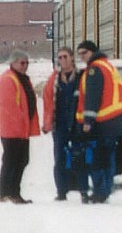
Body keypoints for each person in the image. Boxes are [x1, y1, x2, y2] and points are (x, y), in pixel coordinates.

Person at [75, 40, 122, 204]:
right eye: (79, 54)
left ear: (92, 52)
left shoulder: (95, 70)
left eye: (84, 53)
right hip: (115, 121)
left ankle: (101, 192)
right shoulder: (107, 65)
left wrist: (88, 121)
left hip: (104, 121)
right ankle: (105, 190)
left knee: (97, 158)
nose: (82, 57)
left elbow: (93, 97)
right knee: (108, 157)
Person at [0, 50, 41, 204]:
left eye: (26, 63)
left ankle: (13, 192)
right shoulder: (8, 79)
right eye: (22, 63)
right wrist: (19, 126)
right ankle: (5, 192)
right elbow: (10, 107)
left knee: (22, 160)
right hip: (13, 131)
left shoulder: (22, 79)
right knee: (12, 161)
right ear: (13, 63)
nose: (25, 66)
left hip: (21, 130)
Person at [42, 47, 83, 201]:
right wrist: (47, 123)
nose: (63, 60)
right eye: (60, 57)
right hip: (60, 124)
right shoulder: (54, 79)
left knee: (80, 156)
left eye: (65, 56)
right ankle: (61, 191)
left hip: (77, 122)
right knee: (59, 157)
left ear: (72, 58)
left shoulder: (81, 77)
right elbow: (47, 101)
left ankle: (82, 188)